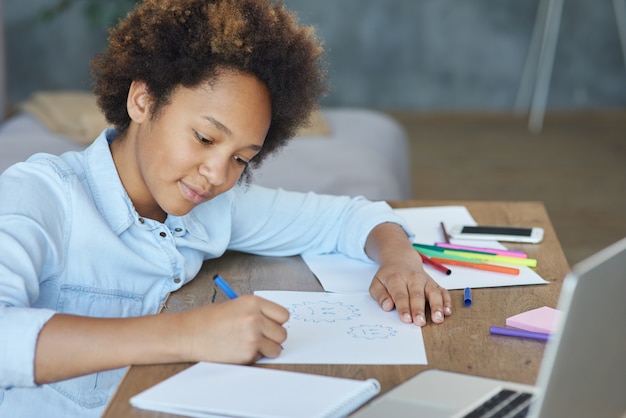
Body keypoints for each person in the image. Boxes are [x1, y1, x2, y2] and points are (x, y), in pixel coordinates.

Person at [0, 0, 452, 416]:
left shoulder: (210, 207)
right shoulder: (40, 195)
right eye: (204, 138)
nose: (218, 174)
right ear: (142, 100)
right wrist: (189, 333)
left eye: (241, 158)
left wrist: (399, 260)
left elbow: (351, 216)